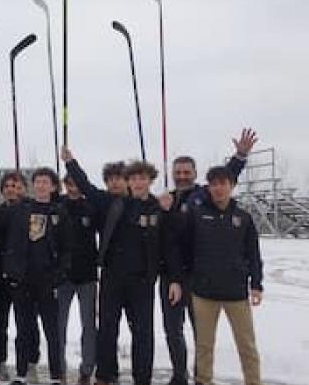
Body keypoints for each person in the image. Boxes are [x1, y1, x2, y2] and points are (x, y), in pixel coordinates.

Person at [62, 147, 182, 385]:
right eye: (133, 178)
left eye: (142, 178)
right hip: (112, 278)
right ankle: (106, 375)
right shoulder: (112, 203)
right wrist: (71, 163)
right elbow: (86, 187)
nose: (138, 183)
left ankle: (142, 378)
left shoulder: (159, 208)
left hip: (142, 281)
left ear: (150, 181)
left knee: (143, 334)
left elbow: (170, 246)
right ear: (128, 182)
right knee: (107, 329)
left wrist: (176, 278)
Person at [159, 128, 256, 385]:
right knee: (172, 330)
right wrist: (164, 210)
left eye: (186, 172)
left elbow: (225, 178)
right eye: (177, 172)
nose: (181, 176)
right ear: (172, 174)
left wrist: (240, 156)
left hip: (198, 277)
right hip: (170, 274)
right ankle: (180, 374)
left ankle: (202, 376)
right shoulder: (164, 199)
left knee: (201, 334)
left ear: (194, 173)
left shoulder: (204, 196)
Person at [179, 166, 264, 385]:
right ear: (208, 188)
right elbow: (184, 249)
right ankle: (203, 381)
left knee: (247, 346)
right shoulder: (196, 215)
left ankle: (253, 381)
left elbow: (253, 253)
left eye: (223, 183)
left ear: (232, 186)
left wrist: (256, 284)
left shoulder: (243, 218)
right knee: (204, 347)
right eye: (213, 184)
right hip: (203, 294)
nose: (218, 188)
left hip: (236, 294)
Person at [2, 168, 74, 385]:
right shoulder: (21, 210)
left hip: (48, 280)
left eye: (46, 182)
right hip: (23, 279)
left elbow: (67, 248)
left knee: (52, 330)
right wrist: (12, 271)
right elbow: (10, 241)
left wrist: (59, 275)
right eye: (38, 181)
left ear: (53, 187)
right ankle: (21, 373)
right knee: (23, 329)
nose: (41, 185)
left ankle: (55, 374)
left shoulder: (59, 212)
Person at [0, 171, 41, 382]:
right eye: (7, 186)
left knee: (27, 324)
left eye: (15, 185)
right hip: (0, 275)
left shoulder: (30, 208)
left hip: (24, 276)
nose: (11, 189)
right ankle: (0, 361)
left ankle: (29, 363)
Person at [57, 175, 99, 385]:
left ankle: (87, 369)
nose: (72, 188)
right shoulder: (59, 204)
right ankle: (59, 368)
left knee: (89, 325)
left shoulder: (91, 206)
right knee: (58, 325)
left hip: (87, 275)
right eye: (69, 184)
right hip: (63, 276)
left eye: (76, 185)